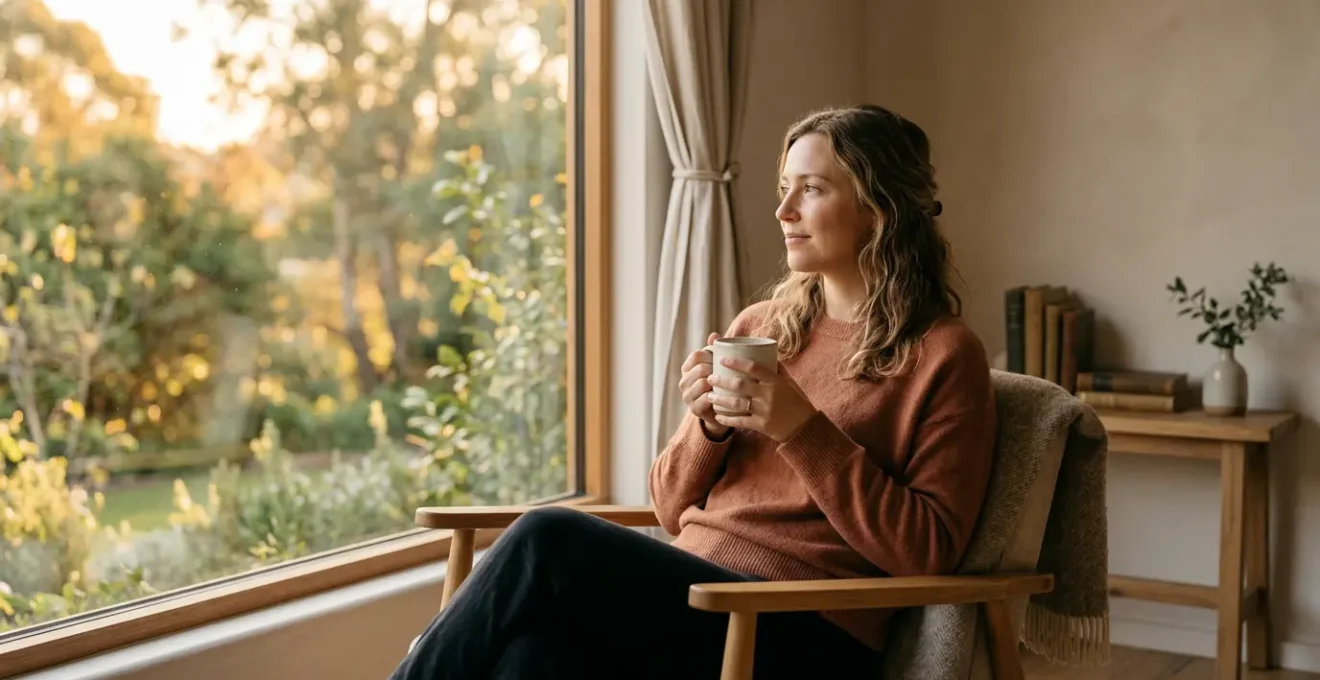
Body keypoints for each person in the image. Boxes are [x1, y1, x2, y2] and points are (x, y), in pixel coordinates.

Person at [387, 103, 996, 680]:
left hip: (801, 630)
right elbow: (670, 508)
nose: (784, 210)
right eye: (784, 188)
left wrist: (800, 429)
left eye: (811, 189)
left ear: (880, 208)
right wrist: (706, 426)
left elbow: (928, 551)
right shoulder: (761, 328)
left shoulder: (943, 355)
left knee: (547, 536)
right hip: (696, 596)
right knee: (533, 656)